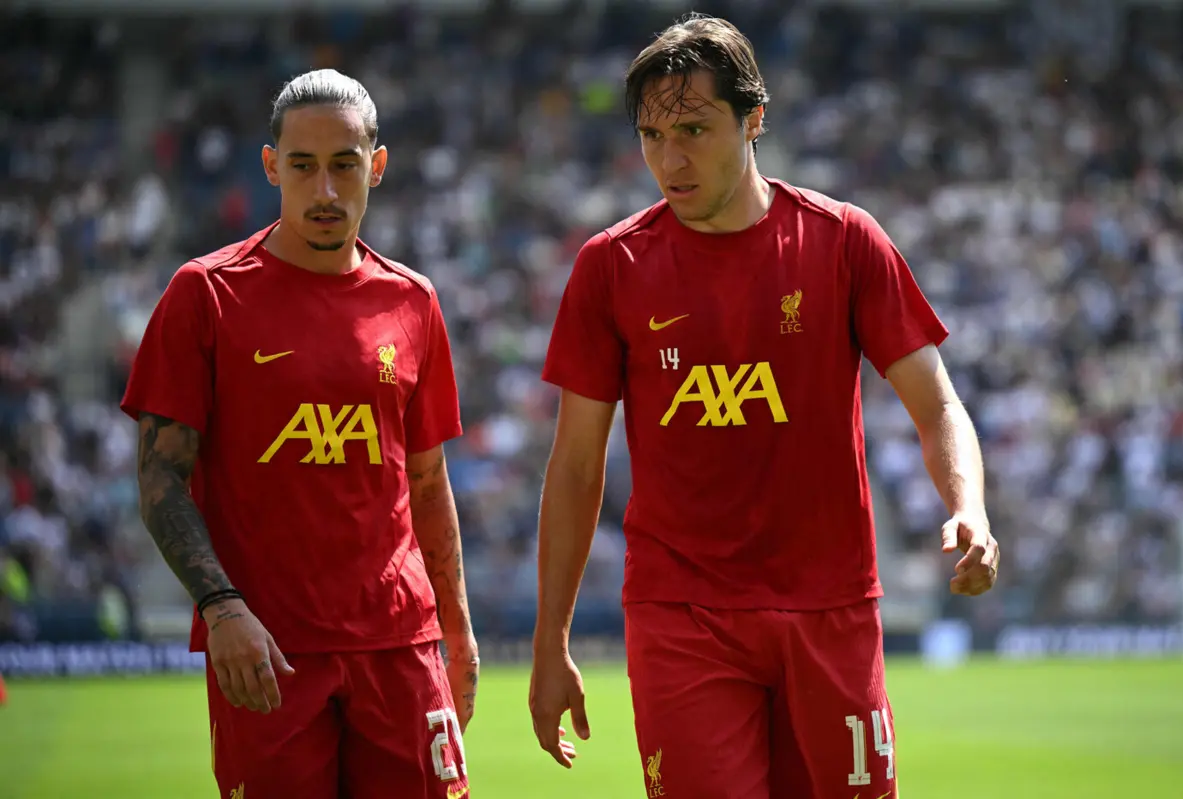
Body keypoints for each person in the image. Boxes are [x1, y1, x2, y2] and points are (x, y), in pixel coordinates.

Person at [528, 13, 999, 799]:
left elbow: (937, 404)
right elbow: (576, 465)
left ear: (755, 120)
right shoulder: (612, 267)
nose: (668, 160)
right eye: (650, 135)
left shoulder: (845, 241)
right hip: (682, 614)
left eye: (693, 129)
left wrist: (971, 508)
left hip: (831, 606)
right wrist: (552, 641)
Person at [121, 70, 477, 799]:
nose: (324, 190)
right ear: (270, 166)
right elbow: (159, 479)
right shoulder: (206, 294)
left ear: (375, 166)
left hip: (400, 645)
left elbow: (428, 481)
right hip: (269, 654)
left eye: (345, 165)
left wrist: (459, 631)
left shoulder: (414, 301)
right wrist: (221, 607)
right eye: (303, 166)